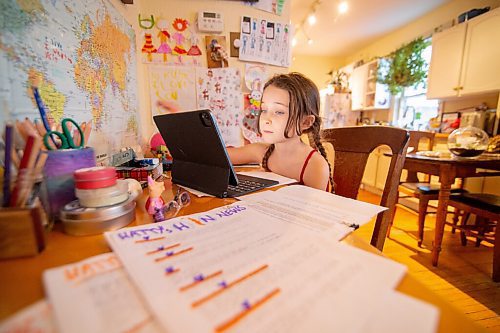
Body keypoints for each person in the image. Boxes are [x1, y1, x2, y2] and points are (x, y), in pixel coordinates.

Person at [157, 72, 333, 192]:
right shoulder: (261, 152)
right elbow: (217, 156)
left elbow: (314, 218)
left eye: (279, 112)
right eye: (264, 109)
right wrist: (184, 125)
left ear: (306, 122)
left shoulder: (315, 166)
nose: (266, 118)